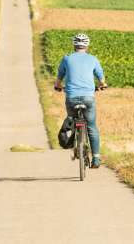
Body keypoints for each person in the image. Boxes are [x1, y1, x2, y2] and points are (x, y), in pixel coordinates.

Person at [54, 33, 107, 169]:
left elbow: (59, 77)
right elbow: (101, 76)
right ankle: (96, 158)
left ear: (74, 45)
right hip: (88, 98)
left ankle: (72, 140)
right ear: (87, 45)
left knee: (71, 119)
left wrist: (58, 86)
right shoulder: (93, 59)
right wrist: (102, 84)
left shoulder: (67, 59)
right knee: (91, 126)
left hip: (71, 97)